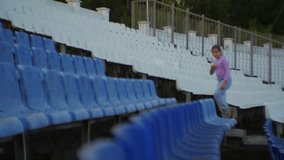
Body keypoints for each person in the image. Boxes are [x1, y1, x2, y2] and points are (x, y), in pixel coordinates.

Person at [209, 44, 232, 117]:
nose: (214, 54)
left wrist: (224, 82)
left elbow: (228, 71)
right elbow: (211, 73)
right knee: (222, 97)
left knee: (217, 93)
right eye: (213, 52)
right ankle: (224, 114)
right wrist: (212, 68)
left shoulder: (223, 59)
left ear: (220, 52)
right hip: (219, 80)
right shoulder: (215, 61)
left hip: (226, 80)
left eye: (216, 52)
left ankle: (226, 110)